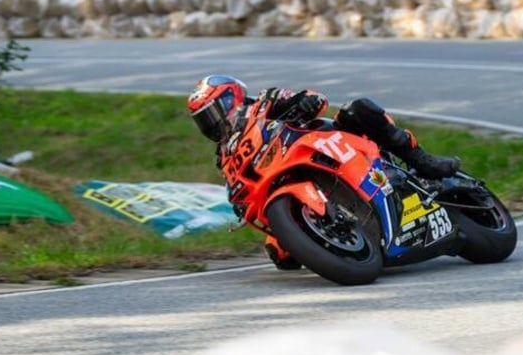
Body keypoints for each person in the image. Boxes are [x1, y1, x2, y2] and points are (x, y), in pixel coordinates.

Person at [187, 75, 461, 270]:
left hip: (326, 141)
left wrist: (305, 104)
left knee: (359, 109)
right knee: (281, 256)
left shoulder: (264, 103)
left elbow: (314, 98)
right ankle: (336, 233)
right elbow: (235, 189)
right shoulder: (224, 155)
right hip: (283, 178)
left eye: (212, 113)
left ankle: (421, 159)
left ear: (230, 98)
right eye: (203, 121)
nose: (210, 124)